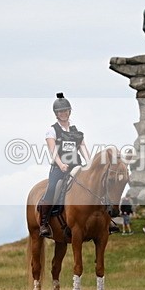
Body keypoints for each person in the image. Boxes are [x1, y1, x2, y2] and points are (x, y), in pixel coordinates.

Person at [39, 92, 90, 238]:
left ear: (69, 111)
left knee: (94, 185)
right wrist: (60, 164)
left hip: (76, 167)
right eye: (60, 111)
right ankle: (44, 222)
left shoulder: (76, 132)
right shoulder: (52, 130)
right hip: (59, 168)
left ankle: (106, 218)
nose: (63, 113)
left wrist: (90, 163)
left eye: (66, 111)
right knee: (52, 187)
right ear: (56, 113)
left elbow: (83, 149)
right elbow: (53, 150)